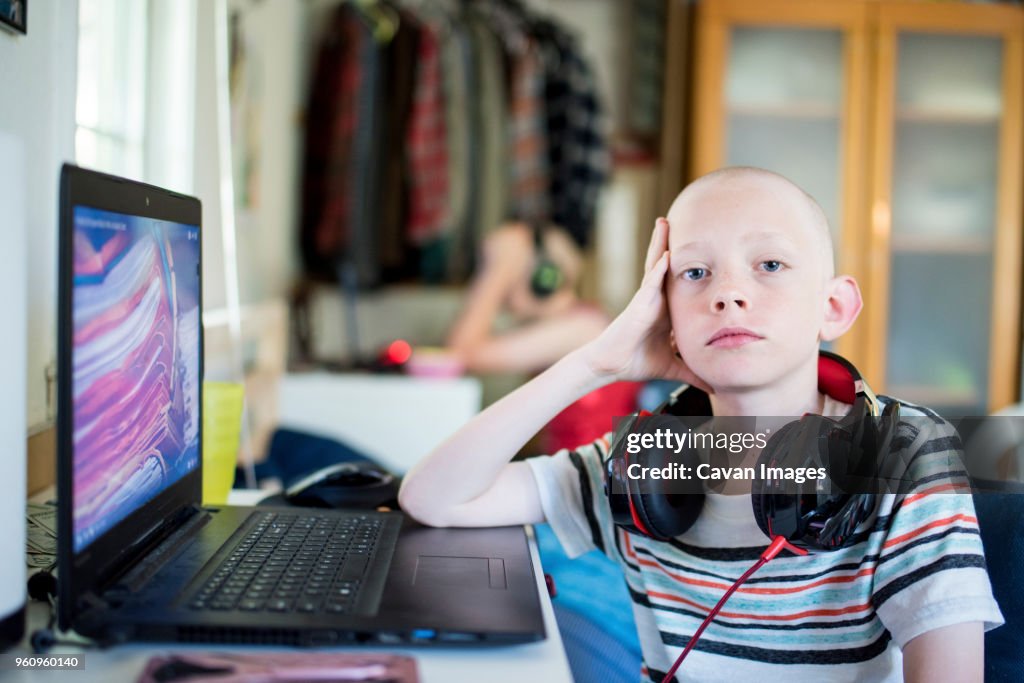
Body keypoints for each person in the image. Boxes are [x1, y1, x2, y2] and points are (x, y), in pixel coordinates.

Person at [398, 167, 1003, 682]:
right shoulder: (647, 461)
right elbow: (435, 497)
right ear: (664, 314)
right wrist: (594, 363)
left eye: (769, 264)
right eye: (694, 273)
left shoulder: (904, 453)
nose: (729, 293)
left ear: (834, 306)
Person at [438, 221, 641, 453]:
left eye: (506, 268)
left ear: (545, 276)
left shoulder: (583, 327)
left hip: (592, 481)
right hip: (572, 471)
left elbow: (460, 354)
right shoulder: (576, 322)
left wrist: (499, 271)